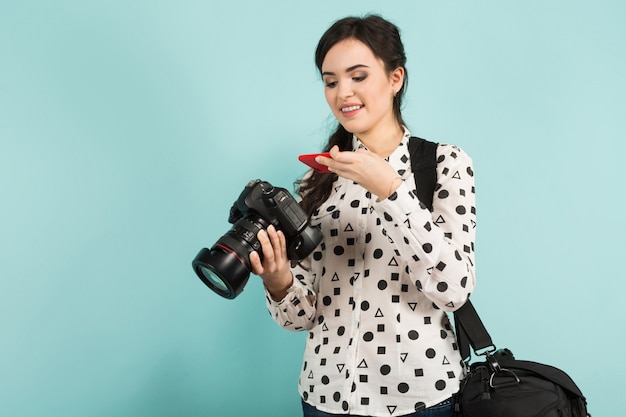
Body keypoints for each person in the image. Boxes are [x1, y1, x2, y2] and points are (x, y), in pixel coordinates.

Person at [250, 14, 476, 417]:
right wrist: (279, 281)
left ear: (395, 79)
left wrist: (391, 191)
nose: (343, 93)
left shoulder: (443, 163)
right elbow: (301, 318)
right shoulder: (315, 179)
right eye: (331, 80)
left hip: (419, 400)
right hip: (324, 398)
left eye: (358, 76)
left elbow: (454, 288)